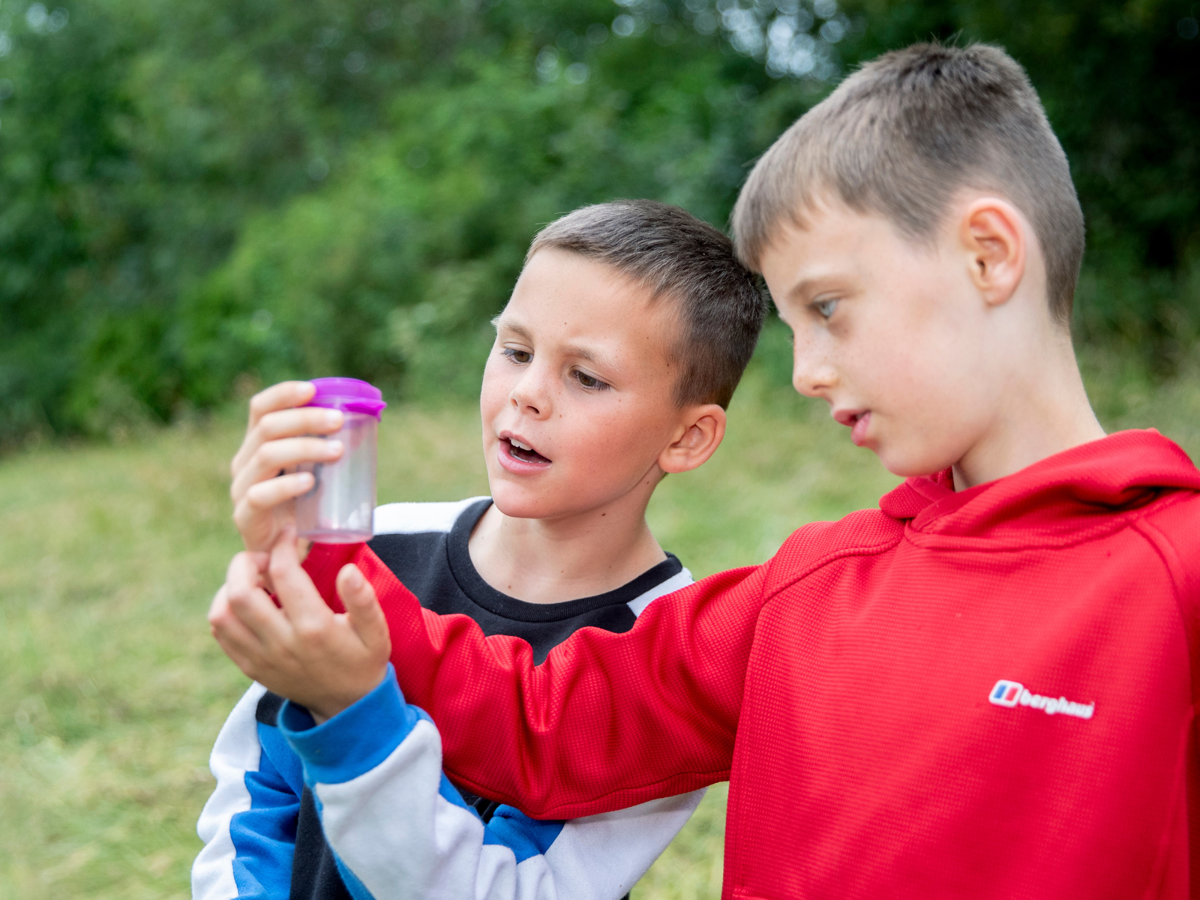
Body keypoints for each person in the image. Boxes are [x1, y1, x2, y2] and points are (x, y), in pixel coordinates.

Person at [215, 43, 1200, 899]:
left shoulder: (1177, 578)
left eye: (827, 308)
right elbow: (542, 722)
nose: (808, 373)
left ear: (989, 256)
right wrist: (323, 551)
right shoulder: (803, 595)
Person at [194, 200, 766, 900]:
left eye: (585, 377)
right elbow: (256, 782)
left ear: (687, 437)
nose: (526, 394)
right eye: (516, 350)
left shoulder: (665, 656)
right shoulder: (379, 543)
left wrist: (352, 712)